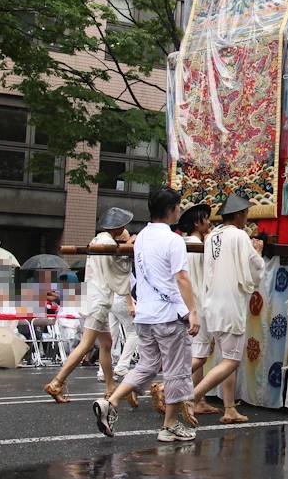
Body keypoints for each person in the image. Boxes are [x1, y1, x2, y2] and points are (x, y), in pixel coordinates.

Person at [93, 187, 199, 442]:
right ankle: (169, 426)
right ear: (170, 209)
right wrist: (193, 311)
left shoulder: (140, 238)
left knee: (147, 365)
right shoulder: (173, 240)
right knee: (176, 370)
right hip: (169, 315)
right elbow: (181, 278)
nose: (179, 210)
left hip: (145, 314)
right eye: (178, 206)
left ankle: (112, 401)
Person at [47, 208, 137, 404]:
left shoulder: (99, 240)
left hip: (95, 296)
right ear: (120, 227)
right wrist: (130, 245)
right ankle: (57, 382)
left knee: (106, 344)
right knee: (87, 343)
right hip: (99, 299)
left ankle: (110, 387)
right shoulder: (106, 242)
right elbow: (119, 268)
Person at [190, 193, 264, 425]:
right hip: (231, 304)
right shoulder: (240, 236)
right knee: (232, 361)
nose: (247, 218)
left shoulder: (212, 236)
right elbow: (256, 266)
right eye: (246, 214)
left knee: (225, 360)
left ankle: (229, 408)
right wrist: (259, 251)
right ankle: (188, 398)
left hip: (212, 302)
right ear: (239, 214)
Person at [181, 203, 236, 418]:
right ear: (198, 222)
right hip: (200, 303)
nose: (209, 222)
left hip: (187, 303)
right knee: (202, 356)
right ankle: (166, 386)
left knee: (198, 352)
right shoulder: (198, 246)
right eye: (206, 218)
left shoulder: (184, 243)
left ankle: (199, 400)